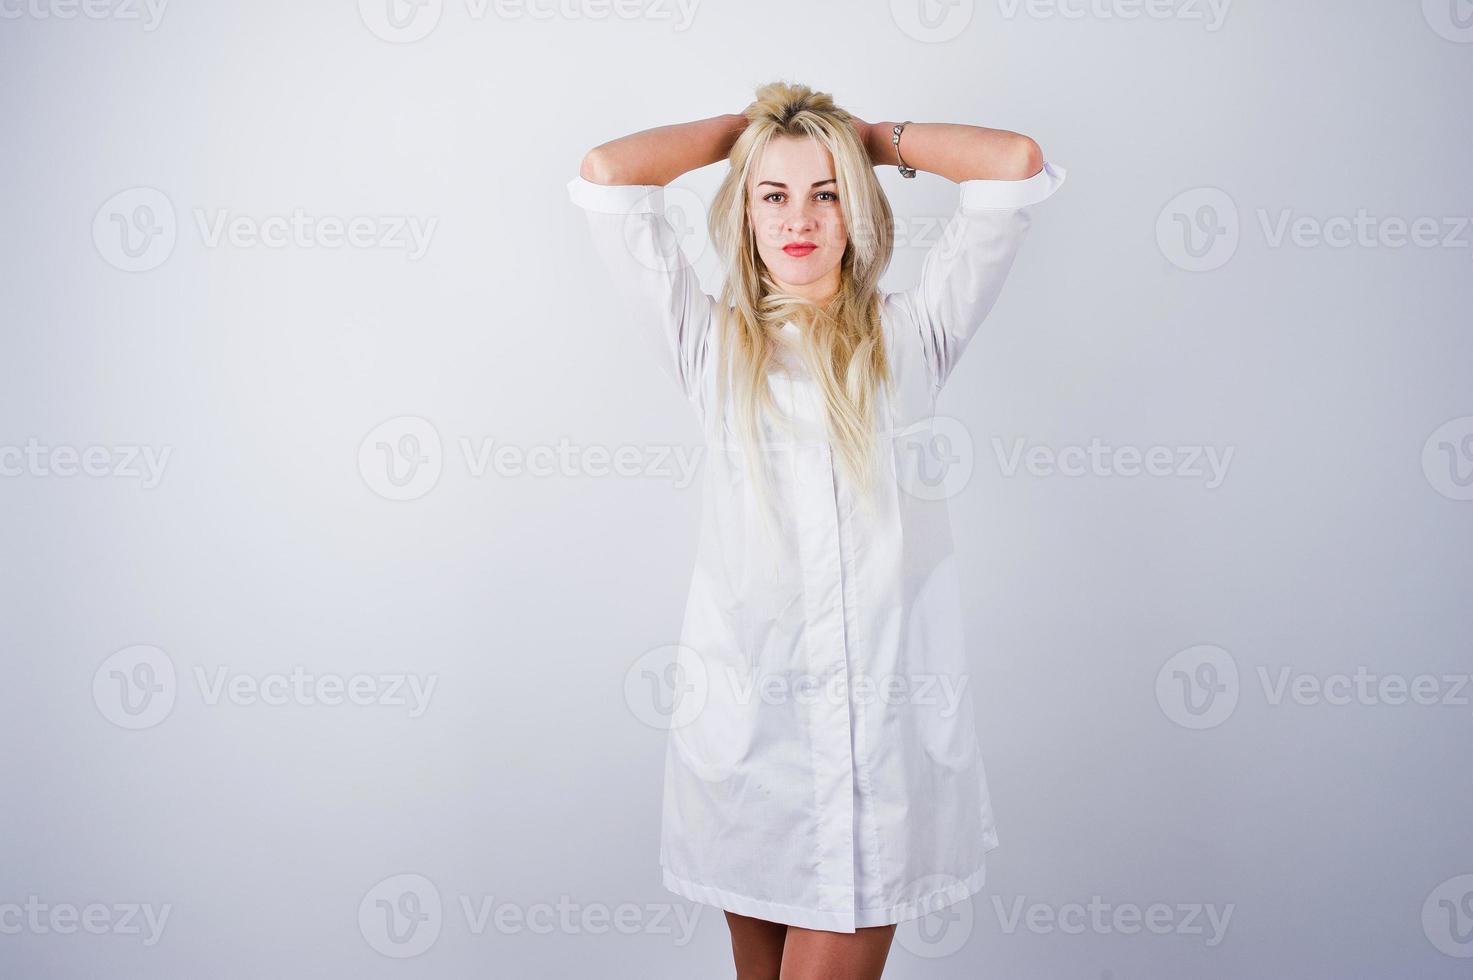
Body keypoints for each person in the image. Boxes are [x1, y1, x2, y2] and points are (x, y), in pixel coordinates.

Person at [567, 79, 1066, 980]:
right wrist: (750, 134)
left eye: (824, 193)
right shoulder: (708, 347)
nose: (799, 219)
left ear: (856, 212)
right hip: (750, 755)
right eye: (774, 195)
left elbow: (1012, 166)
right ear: (745, 214)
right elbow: (607, 177)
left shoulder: (914, 337)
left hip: (876, 756)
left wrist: (867, 141)